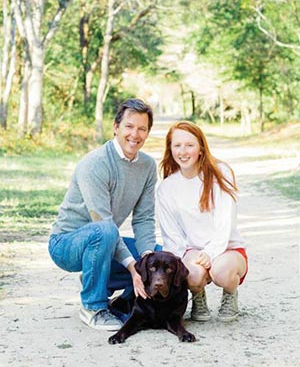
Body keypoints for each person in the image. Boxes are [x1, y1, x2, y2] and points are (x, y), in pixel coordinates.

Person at [48, 99, 161, 331]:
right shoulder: (96, 163)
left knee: (158, 256)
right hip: (66, 244)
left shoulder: (148, 166)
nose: (135, 134)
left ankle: (119, 297)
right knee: (107, 231)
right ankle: (93, 307)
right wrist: (133, 268)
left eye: (142, 128)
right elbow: (102, 223)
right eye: (129, 126)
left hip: (104, 242)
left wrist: (147, 258)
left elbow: (144, 218)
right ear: (116, 127)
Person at [157, 121, 248, 322]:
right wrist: (181, 263)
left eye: (189, 145)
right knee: (190, 273)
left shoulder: (220, 173)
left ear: (200, 148)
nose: (183, 151)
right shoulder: (167, 188)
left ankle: (230, 294)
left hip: (228, 249)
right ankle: (198, 295)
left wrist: (211, 253)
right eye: (177, 145)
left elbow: (225, 222)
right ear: (170, 149)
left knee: (221, 272)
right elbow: (172, 235)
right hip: (194, 251)